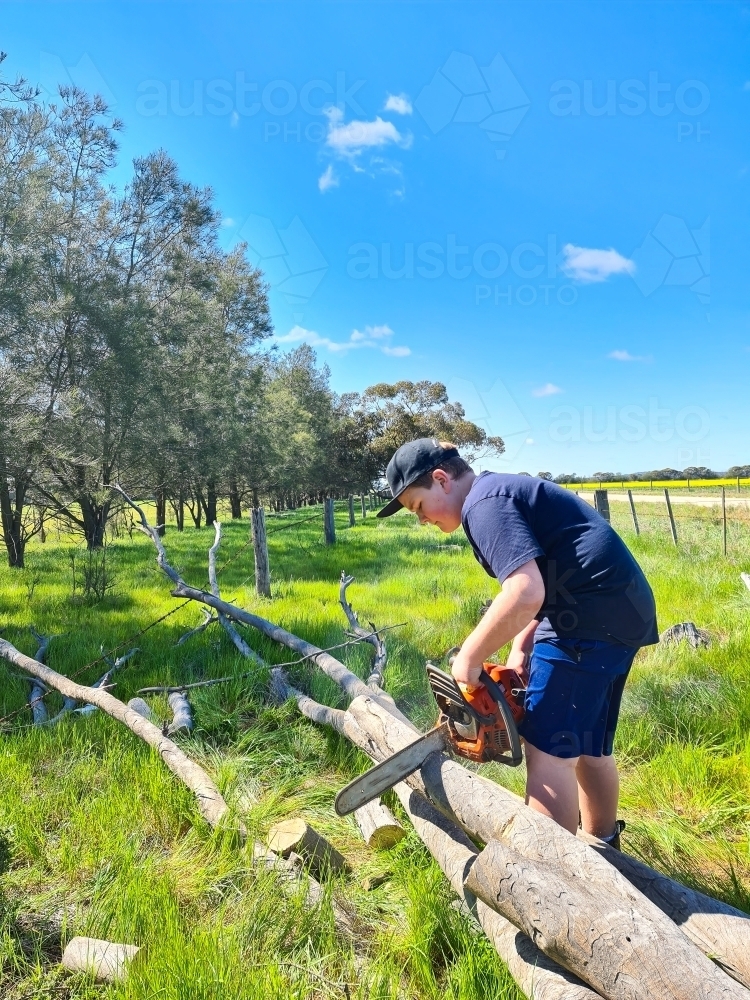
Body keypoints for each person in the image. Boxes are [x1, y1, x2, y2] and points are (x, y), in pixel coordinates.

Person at [376, 438, 658, 847]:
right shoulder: (497, 492)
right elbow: (546, 579)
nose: (421, 520)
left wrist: (469, 659)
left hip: (584, 621)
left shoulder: (483, 505)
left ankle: (554, 876)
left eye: (419, 507)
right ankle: (605, 847)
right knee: (588, 743)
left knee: (547, 752)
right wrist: (522, 645)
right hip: (618, 612)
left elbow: (525, 591)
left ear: (440, 479)